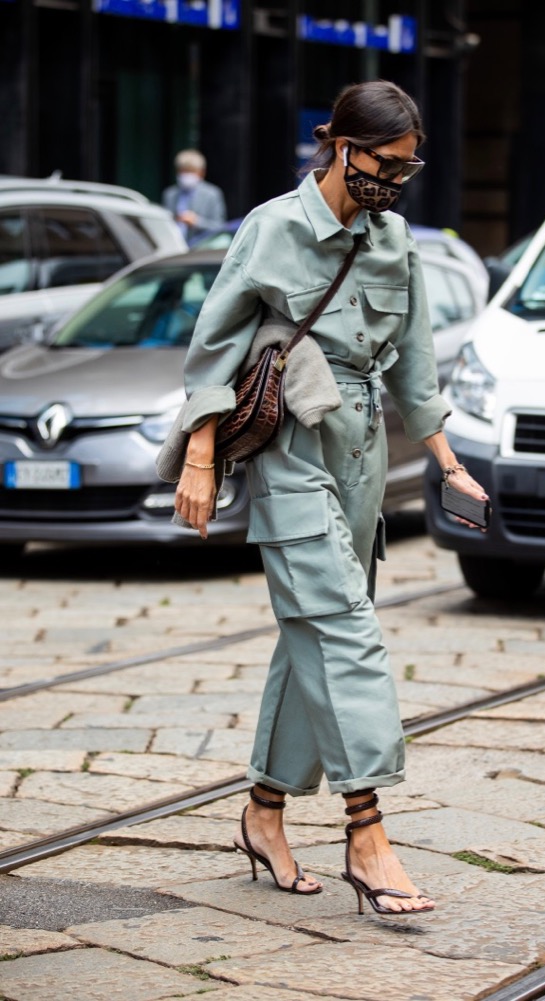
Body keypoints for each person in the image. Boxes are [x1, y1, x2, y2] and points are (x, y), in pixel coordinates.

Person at [174, 80, 489, 915]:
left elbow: (416, 360)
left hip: (358, 450)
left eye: (407, 167)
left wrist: (447, 460)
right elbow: (215, 344)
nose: (394, 179)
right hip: (286, 446)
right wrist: (199, 456)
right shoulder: (273, 227)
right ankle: (368, 830)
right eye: (384, 162)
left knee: (309, 633)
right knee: (345, 633)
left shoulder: (395, 243)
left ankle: (263, 813)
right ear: (341, 145)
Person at [162, 149, 227, 244]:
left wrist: (197, 222)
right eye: (184, 171)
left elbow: (220, 227)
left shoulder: (212, 194)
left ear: (201, 173)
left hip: (199, 247)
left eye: (191, 172)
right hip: (173, 246)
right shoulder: (170, 194)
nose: (187, 175)